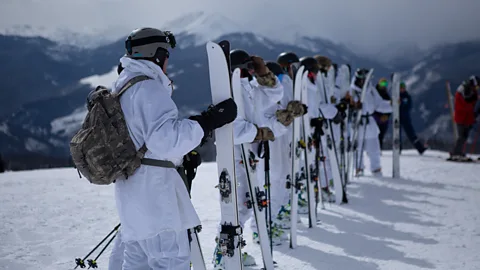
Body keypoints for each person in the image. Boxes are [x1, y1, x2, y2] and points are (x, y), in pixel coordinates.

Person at [110, 27, 237, 270]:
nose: (168, 60)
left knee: (137, 262)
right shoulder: (148, 88)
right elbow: (164, 141)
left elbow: (144, 139)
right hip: (156, 198)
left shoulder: (122, 85)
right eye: (166, 53)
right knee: (171, 261)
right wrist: (207, 121)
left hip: (132, 194)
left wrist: (181, 158)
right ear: (156, 54)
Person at [212, 50, 306, 269]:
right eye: (248, 68)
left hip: (250, 155)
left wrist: (265, 75)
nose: (251, 71)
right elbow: (235, 130)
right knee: (236, 207)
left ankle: (229, 251)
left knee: (246, 205)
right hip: (233, 157)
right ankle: (223, 254)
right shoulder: (229, 93)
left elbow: (273, 95)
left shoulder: (249, 88)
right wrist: (264, 131)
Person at [350, 69, 391, 176]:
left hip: (370, 122)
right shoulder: (352, 91)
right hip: (357, 122)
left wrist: (391, 104)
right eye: (361, 80)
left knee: (374, 148)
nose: (363, 82)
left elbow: (379, 104)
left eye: (365, 80)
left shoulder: (371, 90)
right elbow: (347, 106)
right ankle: (359, 169)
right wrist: (354, 107)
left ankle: (376, 169)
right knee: (357, 149)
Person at [450, 75, 480, 160]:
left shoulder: (470, 90)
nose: (477, 88)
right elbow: (464, 105)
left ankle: (458, 152)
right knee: (462, 136)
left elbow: (470, 103)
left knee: (464, 135)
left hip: (466, 117)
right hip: (462, 117)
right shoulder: (464, 91)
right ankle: (456, 153)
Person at [399, 82, 427, 154]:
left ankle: (420, 148)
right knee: (397, 135)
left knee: (411, 134)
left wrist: (401, 105)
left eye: (403, 88)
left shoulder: (407, 96)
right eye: (400, 88)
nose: (402, 89)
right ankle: (398, 149)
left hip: (405, 118)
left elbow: (408, 107)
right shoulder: (396, 96)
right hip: (397, 118)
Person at [372, 78, 392, 150]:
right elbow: (372, 106)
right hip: (375, 117)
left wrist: (387, 116)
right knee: (374, 135)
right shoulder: (375, 93)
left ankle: (379, 149)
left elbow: (390, 107)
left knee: (381, 135)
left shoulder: (386, 95)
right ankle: (373, 149)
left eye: (385, 84)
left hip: (384, 119)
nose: (383, 86)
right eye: (382, 84)